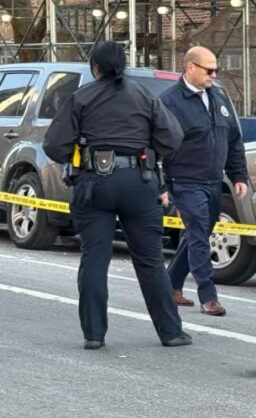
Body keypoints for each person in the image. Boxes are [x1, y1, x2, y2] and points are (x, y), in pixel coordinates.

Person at [43, 41, 192, 349]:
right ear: (123, 65)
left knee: (95, 258)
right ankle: (171, 332)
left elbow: (53, 145)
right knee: (150, 260)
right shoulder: (143, 95)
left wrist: (80, 152)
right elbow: (173, 136)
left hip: (94, 185)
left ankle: (94, 334)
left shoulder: (81, 97)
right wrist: (148, 151)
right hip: (140, 181)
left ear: (95, 67)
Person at [160, 46, 249, 317]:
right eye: (209, 70)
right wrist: (162, 185)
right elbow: (156, 145)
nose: (214, 74)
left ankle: (170, 285)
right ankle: (208, 296)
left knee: (197, 235)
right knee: (199, 232)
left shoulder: (218, 96)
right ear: (190, 67)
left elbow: (232, 139)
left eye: (216, 70)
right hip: (185, 180)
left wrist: (238, 174)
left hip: (213, 180)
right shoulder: (170, 101)